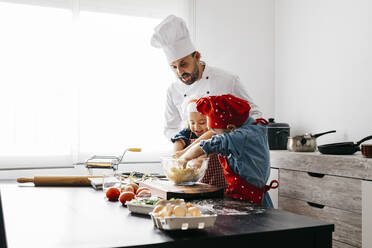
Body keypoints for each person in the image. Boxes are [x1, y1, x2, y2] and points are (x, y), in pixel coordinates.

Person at [150, 15, 262, 140]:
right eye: (173, 67)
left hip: (227, 154)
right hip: (190, 156)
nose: (180, 72)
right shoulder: (173, 90)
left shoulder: (228, 80)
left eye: (183, 64)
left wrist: (232, 138)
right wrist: (183, 141)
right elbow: (170, 128)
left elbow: (255, 116)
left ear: (197, 56)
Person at [177, 94, 278, 207]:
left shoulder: (239, 137)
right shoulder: (256, 127)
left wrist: (184, 158)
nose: (214, 135)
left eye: (215, 132)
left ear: (231, 128)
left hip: (248, 201)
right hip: (254, 196)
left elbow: (206, 145)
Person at [171, 99, 227, 189]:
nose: (197, 127)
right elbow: (177, 141)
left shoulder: (217, 134)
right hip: (195, 186)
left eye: (202, 122)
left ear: (211, 120)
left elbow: (208, 147)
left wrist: (198, 159)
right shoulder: (187, 133)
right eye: (192, 122)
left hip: (218, 186)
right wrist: (178, 158)